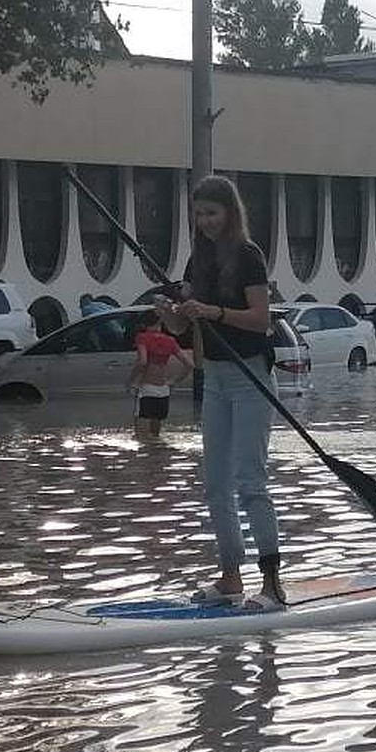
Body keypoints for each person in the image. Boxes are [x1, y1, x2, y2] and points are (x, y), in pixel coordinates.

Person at [156, 175, 284, 611]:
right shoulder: (198, 262)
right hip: (213, 375)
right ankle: (231, 577)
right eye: (198, 213)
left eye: (212, 212)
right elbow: (183, 328)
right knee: (214, 484)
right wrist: (172, 315)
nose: (204, 221)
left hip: (250, 376)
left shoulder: (249, 257)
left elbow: (260, 319)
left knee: (250, 480)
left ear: (230, 213)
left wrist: (212, 310)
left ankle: (271, 585)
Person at [129, 309, 194, 437]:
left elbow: (142, 362)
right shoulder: (170, 340)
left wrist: (132, 380)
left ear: (144, 324)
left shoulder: (142, 337)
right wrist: (174, 381)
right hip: (164, 390)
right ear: (160, 323)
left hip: (147, 389)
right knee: (155, 436)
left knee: (141, 437)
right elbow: (189, 364)